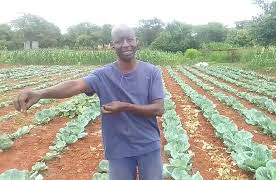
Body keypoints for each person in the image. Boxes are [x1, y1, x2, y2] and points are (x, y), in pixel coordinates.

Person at [13, 24, 164, 180]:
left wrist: (125, 107)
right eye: (119, 41)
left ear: (137, 41)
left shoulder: (151, 72)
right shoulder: (103, 75)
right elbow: (75, 85)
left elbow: (158, 109)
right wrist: (41, 93)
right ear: (112, 45)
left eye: (129, 39)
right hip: (119, 148)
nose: (125, 44)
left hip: (148, 145)